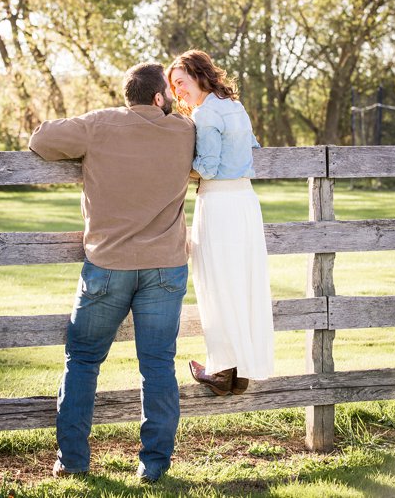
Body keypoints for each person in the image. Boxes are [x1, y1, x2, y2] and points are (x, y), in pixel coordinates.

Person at [29, 63, 196, 485]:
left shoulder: (99, 124)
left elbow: (41, 139)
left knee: (82, 361)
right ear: (159, 98)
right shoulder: (183, 130)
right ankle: (154, 466)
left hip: (107, 267)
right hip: (164, 267)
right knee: (158, 365)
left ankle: (72, 460)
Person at [167, 49, 273, 395]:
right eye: (172, 86)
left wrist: (171, 164)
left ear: (199, 75)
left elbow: (208, 168)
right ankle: (238, 370)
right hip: (245, 202)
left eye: (180, 82)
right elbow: (250, 148)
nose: (177, 91)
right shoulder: (234, 107)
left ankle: (222, 371)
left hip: (219, 204)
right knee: (241, 282)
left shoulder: (206, 114)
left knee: (216, 282)